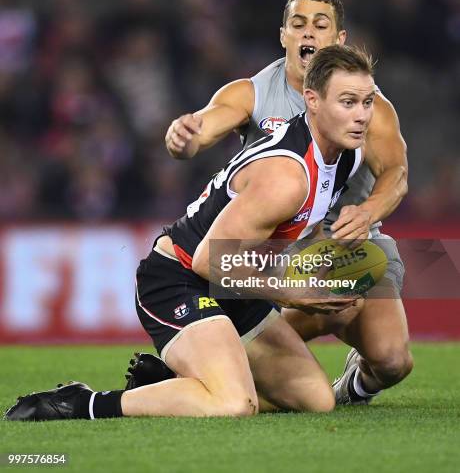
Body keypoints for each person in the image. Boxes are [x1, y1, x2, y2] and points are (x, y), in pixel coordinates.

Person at [6, 44, 375, 421]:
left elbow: (293, 229)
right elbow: (208, 262)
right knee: (234, 405)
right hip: (178, 278)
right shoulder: (286, 178)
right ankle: (78, 403)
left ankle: (175, 384)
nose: (361, 115)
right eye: (348, 102)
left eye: (367, 102)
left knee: (316, 398)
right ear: (312, 101)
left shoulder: (347, 152)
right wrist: (294, 294)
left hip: (233, 284)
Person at [163, 0, 412, 405]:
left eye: (320, 24)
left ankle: (346, 385)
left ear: (339, 39)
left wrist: (369, 211)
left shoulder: (366, 104)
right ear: (283, 36)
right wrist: (185, 137)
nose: (309, 33)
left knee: (392, 361)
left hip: (349, 236)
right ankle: (229, 365)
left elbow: (396, 172)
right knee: (343, 301)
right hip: (272, 245)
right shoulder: (253, 92)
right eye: (298, 24)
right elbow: (205, 125)